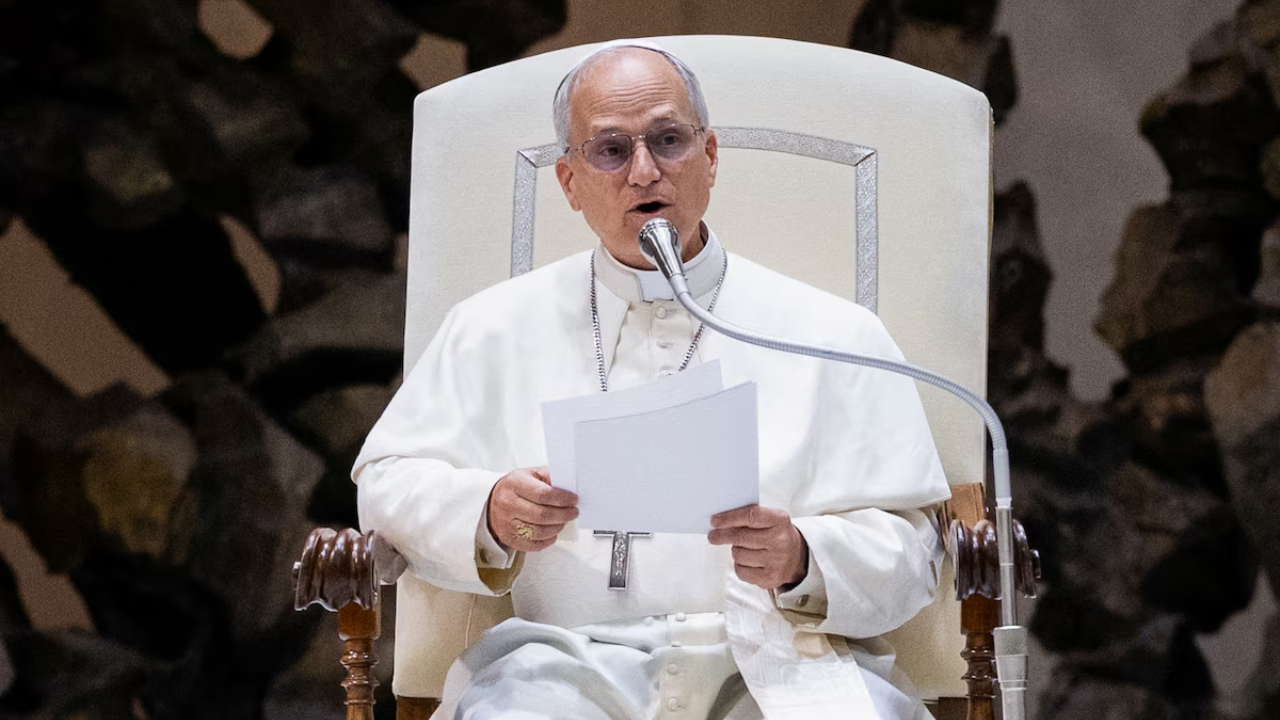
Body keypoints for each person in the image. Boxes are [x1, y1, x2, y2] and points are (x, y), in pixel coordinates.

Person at [354, 40, 952, 720]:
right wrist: (487, 510)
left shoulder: (831, 333)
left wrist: (802, 556)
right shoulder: (491, 328)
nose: (644, 172)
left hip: (781, 660)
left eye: (668, 140)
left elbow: (913, 546)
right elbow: (386, 484)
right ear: (569, 182)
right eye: (610, 150)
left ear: (710, 156)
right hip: (562, 667)